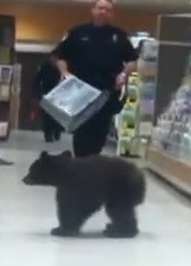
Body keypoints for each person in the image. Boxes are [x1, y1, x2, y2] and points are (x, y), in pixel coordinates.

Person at [55, 0, 138, 157]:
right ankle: (81, 164)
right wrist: (65, 74)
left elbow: (132, 60)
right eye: (100, 8)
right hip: (81, 91)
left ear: (112, 14)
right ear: (93, 10)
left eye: (108, 10)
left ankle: (92, 162)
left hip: (106, 91)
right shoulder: (78, 32)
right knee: (82, 132)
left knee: (100, 133)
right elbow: (61, 56)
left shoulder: (118, 36)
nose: (103, 12)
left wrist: (124, 75)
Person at [32, 50, 63, 142]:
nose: (54, 60)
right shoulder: (44, 67)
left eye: (56, 58)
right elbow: (37, 80)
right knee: (47, 115)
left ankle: (58, 131)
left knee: (59, 115)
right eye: (53, 58)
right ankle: (48, 134)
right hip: (47, 93)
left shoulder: (62, 67)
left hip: (60, 94)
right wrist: (37, 93)